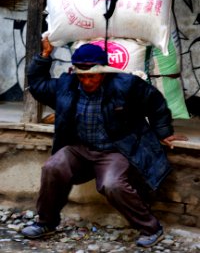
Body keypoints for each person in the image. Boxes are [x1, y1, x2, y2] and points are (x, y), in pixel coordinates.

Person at [21, 37, 187, 247]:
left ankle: (151, 227)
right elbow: (38, 86)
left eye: (93, 76)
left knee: (111, 184)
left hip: (115, 148)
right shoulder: (67, 84)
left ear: (104, 71)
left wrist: (163, 132)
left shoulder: (126, 85)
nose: (87, 81)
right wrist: (44, 56)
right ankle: (46, 222)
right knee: (52, 167)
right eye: (82, 76)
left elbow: (155, 103)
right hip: (79, 147)